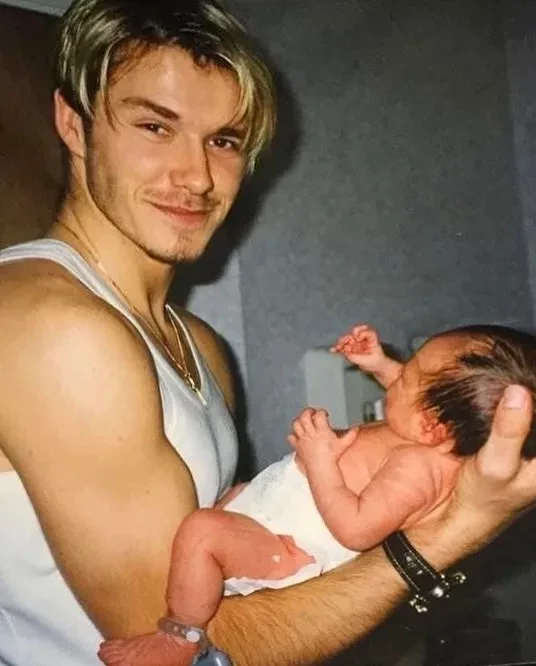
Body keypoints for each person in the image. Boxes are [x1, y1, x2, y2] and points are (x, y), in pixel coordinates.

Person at [0, 0, 535, 665]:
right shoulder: (55, 329)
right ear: (72, 124)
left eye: (223, 140)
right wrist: (456, 531)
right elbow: (204, 646)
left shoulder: (199, 344)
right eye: (155, 126)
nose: (198, 176)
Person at [97, 322, 536, 666]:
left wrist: (320, 460)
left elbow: (357, 530)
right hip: (283, 513)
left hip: (295, 549)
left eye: (406, 377)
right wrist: (377, 362)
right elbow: (416, 395)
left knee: (203, 531)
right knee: (227, 506)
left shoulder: (417, 471)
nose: (396, 377)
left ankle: (180, 636)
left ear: (432, 427)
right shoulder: (426, 434)